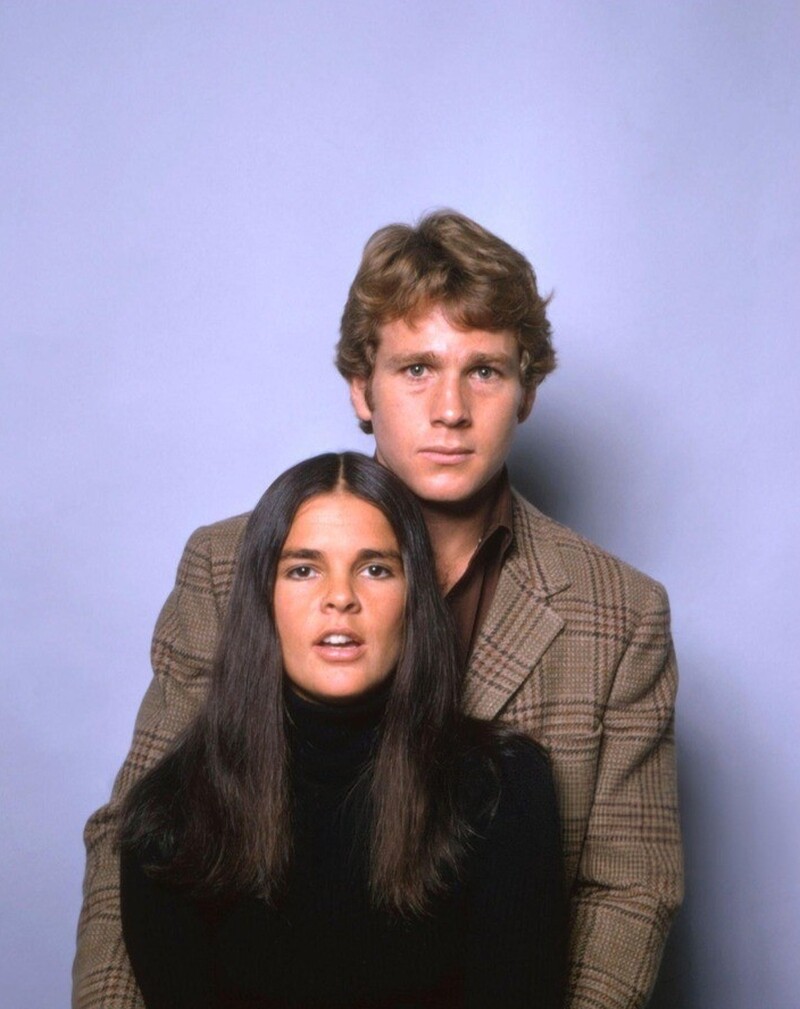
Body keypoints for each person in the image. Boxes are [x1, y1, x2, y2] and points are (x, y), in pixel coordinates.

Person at [74, 210, 682, 1009]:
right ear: (361, 389)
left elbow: (629, 890)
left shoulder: (621, 613)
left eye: (485, 371)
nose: (451, 409)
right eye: (416, 369)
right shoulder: (227, 565)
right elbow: (139, 839)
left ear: (527, 392)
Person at [117, 451, 567, 1008]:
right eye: (303, 570)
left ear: (415, 598)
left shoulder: (504, 789)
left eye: (375, 569)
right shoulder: (170, 814)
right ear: (262, 599)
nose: (340, 597)